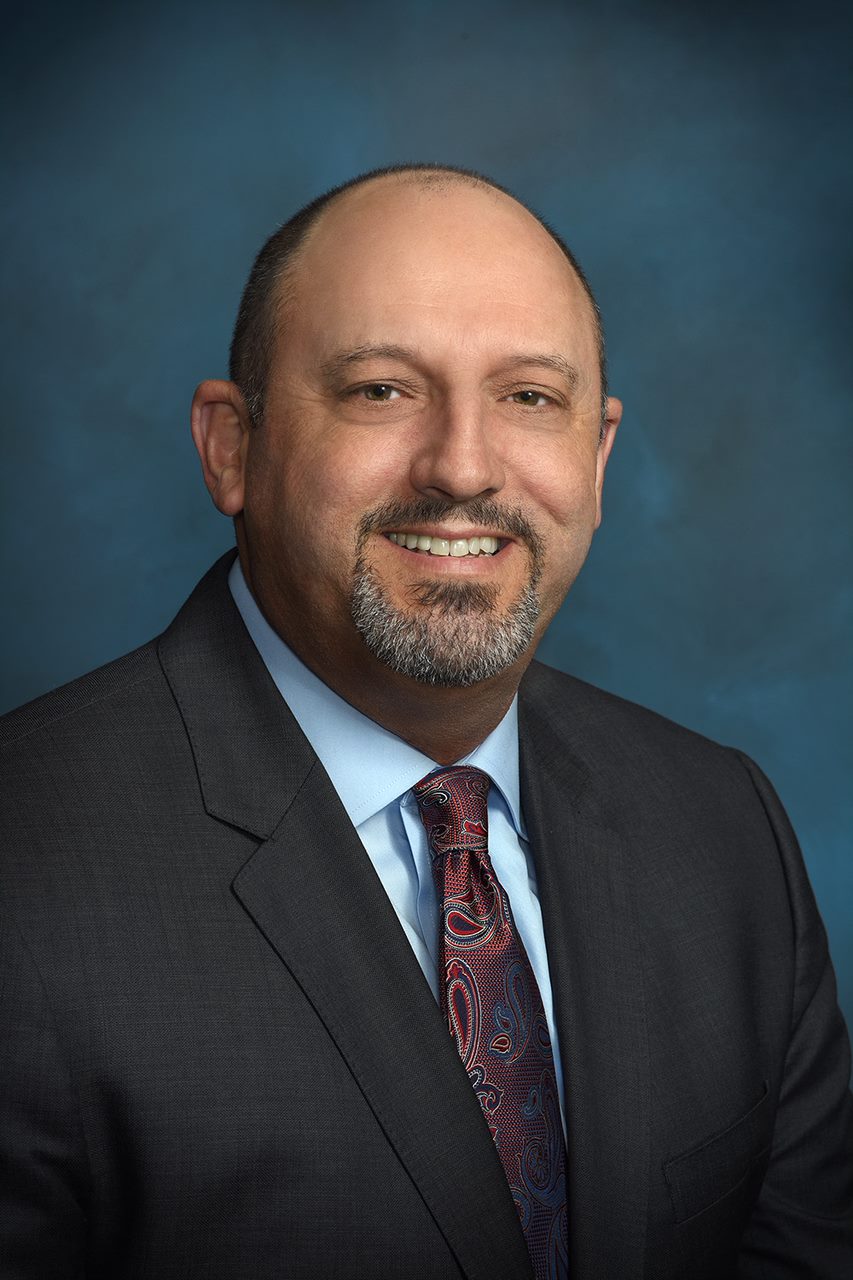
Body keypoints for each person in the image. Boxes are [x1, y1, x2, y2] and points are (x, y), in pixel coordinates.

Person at [1, 164, 851, 1280]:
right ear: (231, 447)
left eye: (529, 398)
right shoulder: (28, 863)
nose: (461, 464)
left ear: (595, 460)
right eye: (381, 390)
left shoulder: (721, 822)